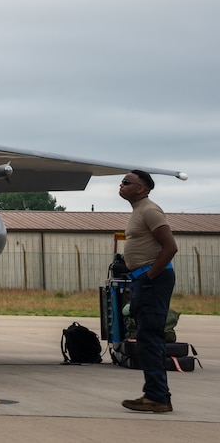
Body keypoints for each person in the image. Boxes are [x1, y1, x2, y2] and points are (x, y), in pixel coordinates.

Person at [119, 169, 178, 413]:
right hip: (144, 280)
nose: (121, 185)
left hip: (152, 281)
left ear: (142, 188)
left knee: (150, 337)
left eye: (127, 182)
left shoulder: (150, 210)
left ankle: (158, 398)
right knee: (146, 337)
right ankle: (154, 394)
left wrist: (149, 276)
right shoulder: (139, 210)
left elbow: (170, 247)